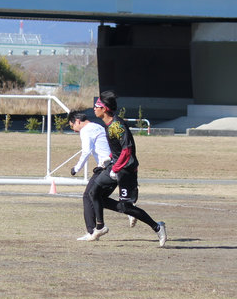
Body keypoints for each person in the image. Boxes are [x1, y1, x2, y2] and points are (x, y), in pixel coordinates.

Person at [88, 90, 167, 247]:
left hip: (126, 170)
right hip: (115, 166)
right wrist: (106, 161)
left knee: (126, 207)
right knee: (94, 193)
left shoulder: (117, 125)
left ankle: (157, 227)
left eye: (97, 106)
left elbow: (127, 150)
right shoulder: (108, 125)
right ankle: (100, 227)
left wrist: (115, 168)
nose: (94, 109)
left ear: (104, 109)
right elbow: (117, 149)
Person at [69, 110, 111, 240]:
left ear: (77, 121)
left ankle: (92, 231)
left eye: (72, 126)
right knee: (99, 198)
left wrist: (76, 168)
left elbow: (86, 151)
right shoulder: (98, 126)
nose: (74, 130)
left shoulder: (85, 130)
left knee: (88, 196)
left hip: (105, 167)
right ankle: (129, 208)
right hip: (113, 165)